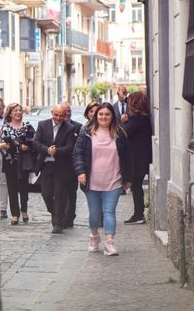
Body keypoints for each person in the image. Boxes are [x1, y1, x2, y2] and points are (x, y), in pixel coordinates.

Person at [73, 102, 131, 256]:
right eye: (101, 114)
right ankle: (94, 236)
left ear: (112, 116)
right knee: (94, 213)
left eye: (107, 114)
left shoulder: (120, 134)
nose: (104, 117)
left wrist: (128, 178)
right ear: (96, 116)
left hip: (114, 180)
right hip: (92, 181)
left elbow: (127, 158)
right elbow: (77, 153)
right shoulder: (86, 132)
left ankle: (109, 243)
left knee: (109, 212)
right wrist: (80, 172)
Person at [33, 105, 77, 234]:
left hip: (61, 167)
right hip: (46, 165)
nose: (58, 118)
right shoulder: (43, 125)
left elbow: (70, 147)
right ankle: (56, 213)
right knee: (46, 194)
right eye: (56, 115)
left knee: (59, 195)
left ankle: (57, 224)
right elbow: (36, 143)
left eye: (61, 116)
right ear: (52, 113)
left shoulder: (70, 128)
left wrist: (56, 151)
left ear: (65, 116)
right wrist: (47, 150)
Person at [0, 103, 35, 225]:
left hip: (24, 161)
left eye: (19, 110)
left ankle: (24, 210)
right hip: (9, 160)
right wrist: (4, 145)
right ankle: (14, 214)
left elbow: (35, 142)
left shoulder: (27, 126)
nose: (18, 112)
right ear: (10, 113)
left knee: (24, 187)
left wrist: (28, 147)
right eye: (15, 110)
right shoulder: (5, 128)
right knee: (11, 188)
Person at [121, 91, 153, 224]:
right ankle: (138, 213)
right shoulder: (143, 117)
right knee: (136, 185)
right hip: (142, 156)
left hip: (138, 158)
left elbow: (123, 133)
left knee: (136, 186)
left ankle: (138, 214)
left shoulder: (137, 118)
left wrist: (123, 122)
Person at [60, 102, 81, 228]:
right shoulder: (56, 127)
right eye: (65, 112)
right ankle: (62, 216)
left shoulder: (78, 127)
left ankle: (70, 217)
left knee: (71, 193)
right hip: (60, 165)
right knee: (60, 193)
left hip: (73, 166)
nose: (67, 114)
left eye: (69, 111)